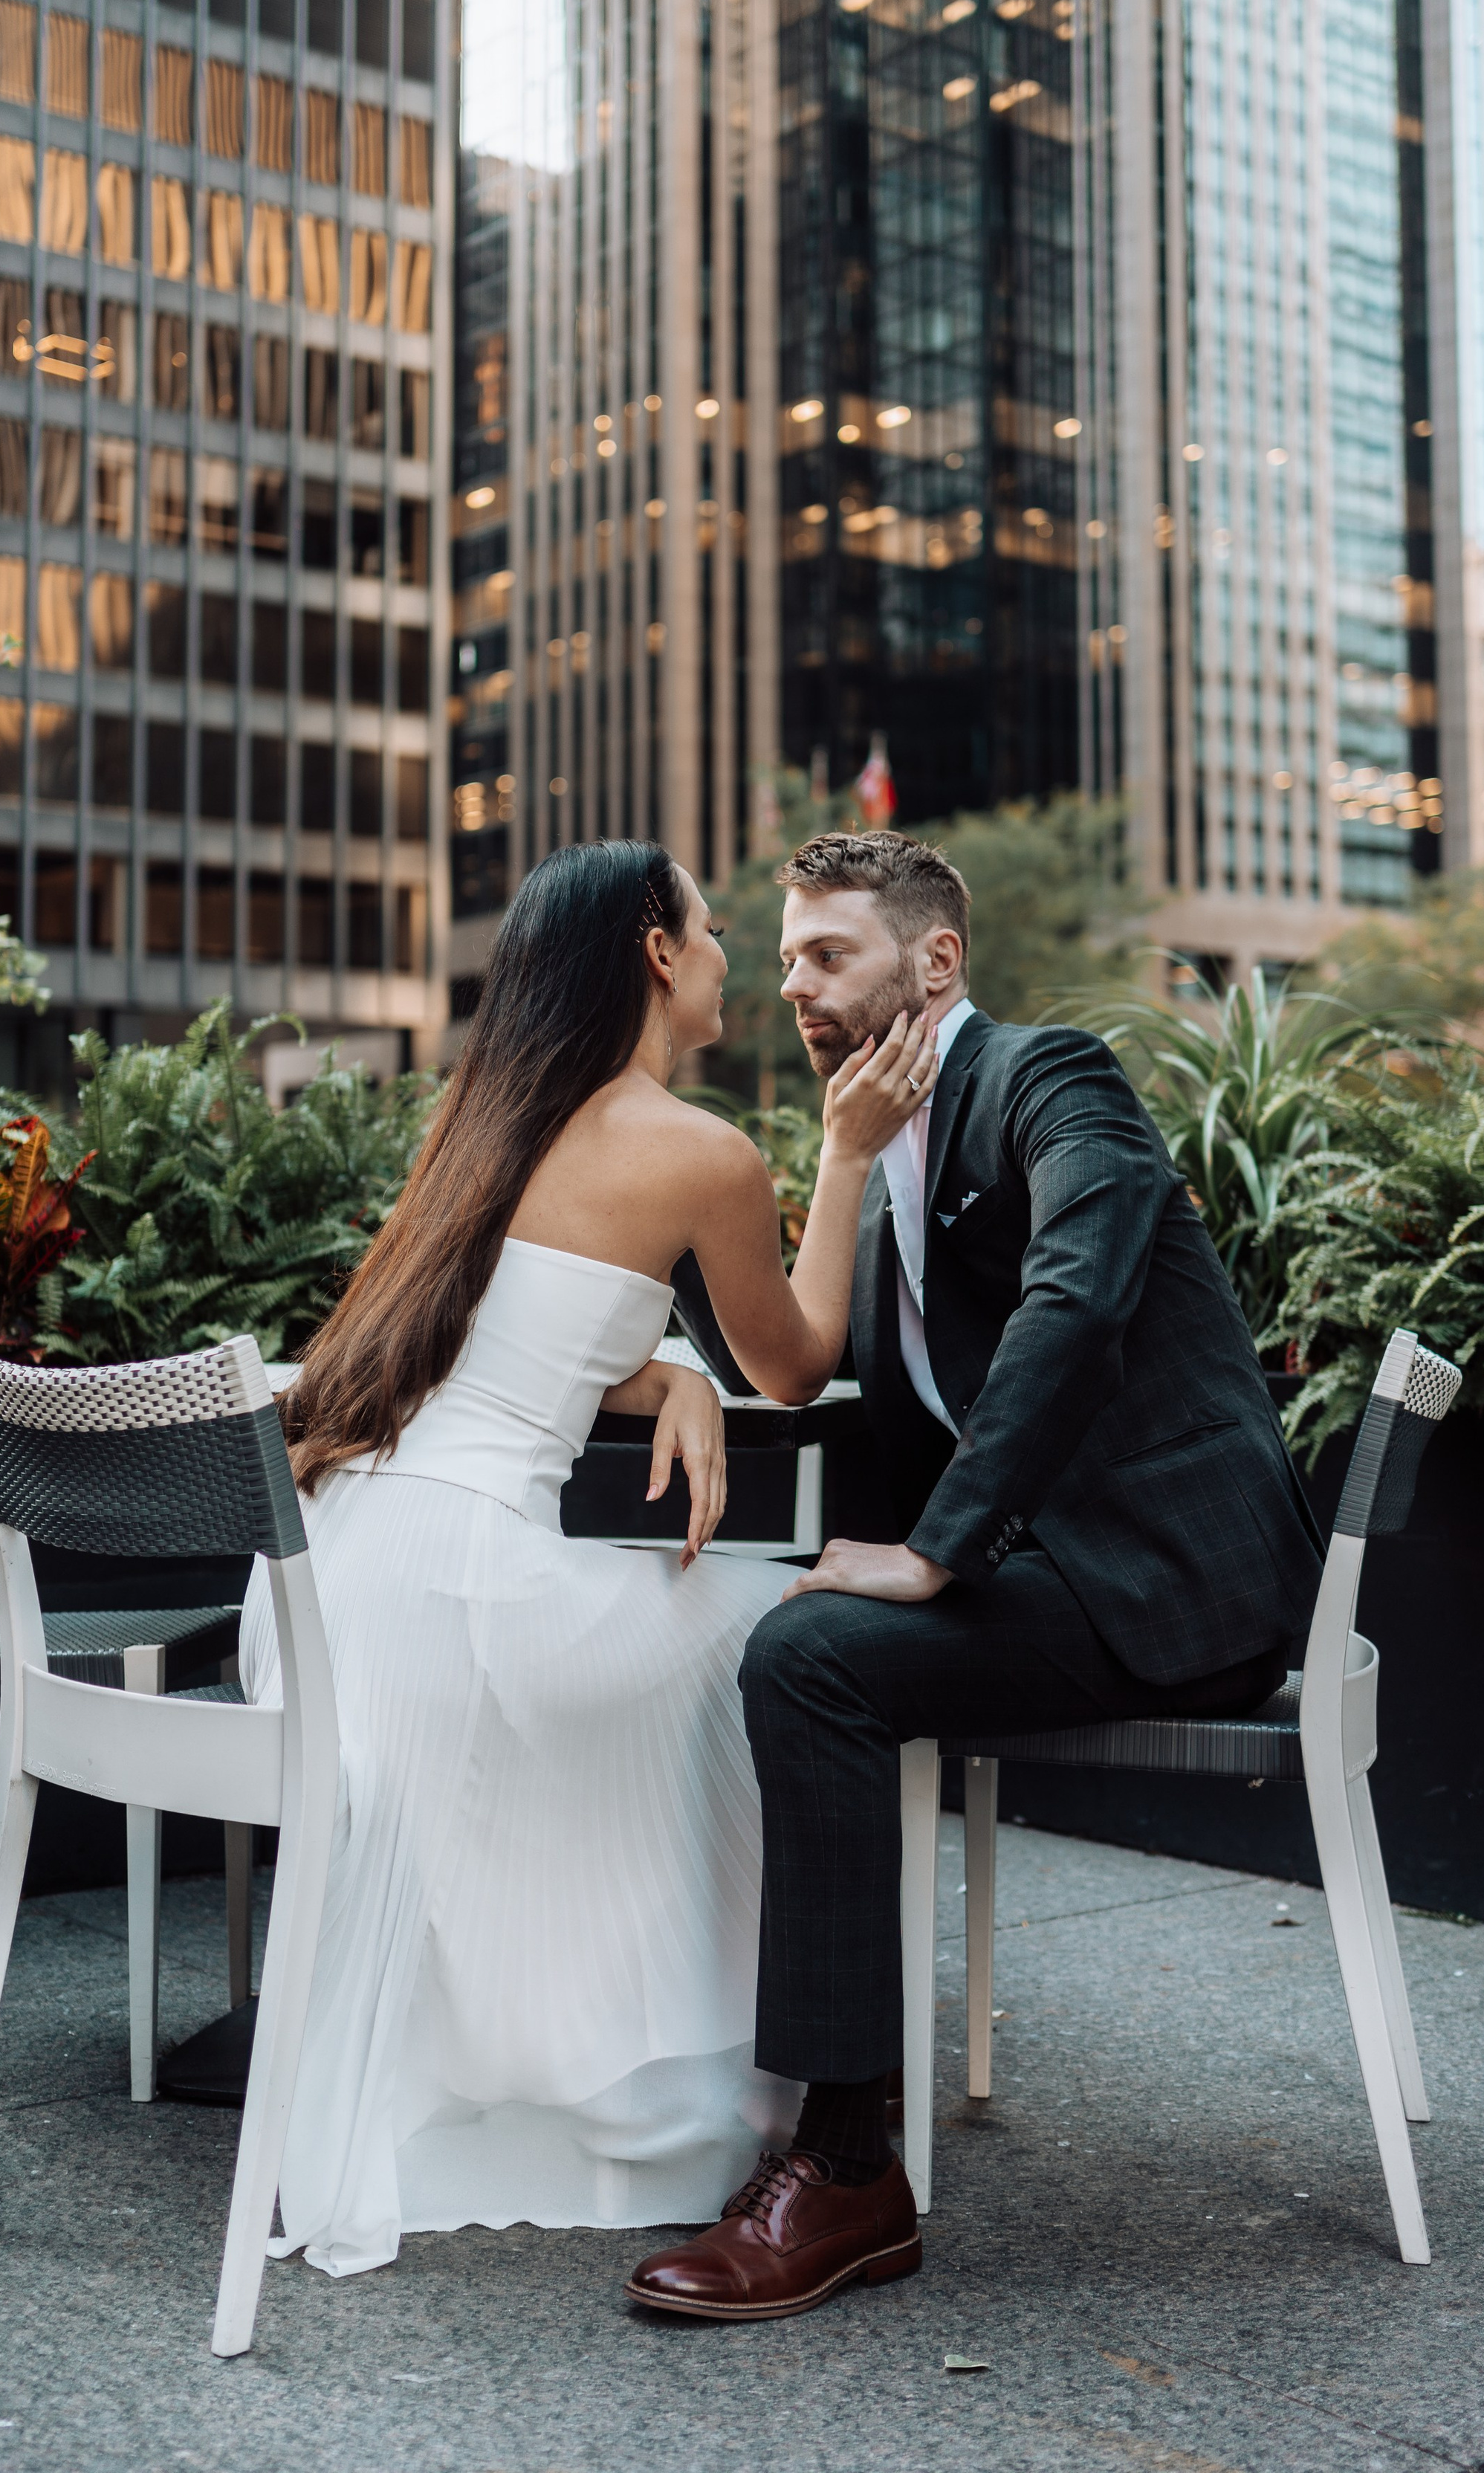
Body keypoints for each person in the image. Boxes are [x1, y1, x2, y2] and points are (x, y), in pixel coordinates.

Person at [628, 830, 1325, 2321]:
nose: (795, 984)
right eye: (789, 954)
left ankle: (845, 2163)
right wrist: (681, 1365)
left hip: (1164, 1582)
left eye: (830, 954)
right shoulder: (874, 1147)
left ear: (933, 961)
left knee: (805, 1661)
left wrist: (941, 1547)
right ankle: (773, 2100)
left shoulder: (1048, 1080)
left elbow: (1069, 1305)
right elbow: (827, 1376)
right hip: (1055, 1570)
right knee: (769, 1620)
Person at [241, 837, 936, 2278]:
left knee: (692, 1636)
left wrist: (667, 1368)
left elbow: (512, 1328)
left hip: (329, 1572)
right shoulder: (701, 1152)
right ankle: (755, 2072)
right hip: (467, 1598)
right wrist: (848, 1153)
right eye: (715, 929)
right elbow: (799, 1366)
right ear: (654, 952)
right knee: (776, 1630)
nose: (737, 954)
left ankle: (583, 2024)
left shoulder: (480, 1121)